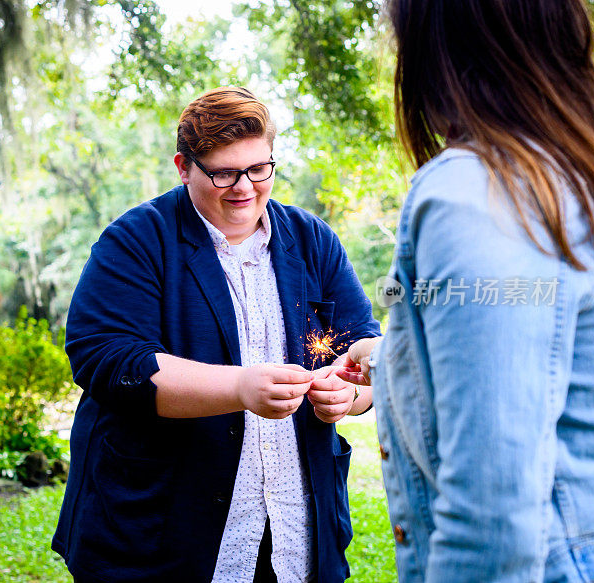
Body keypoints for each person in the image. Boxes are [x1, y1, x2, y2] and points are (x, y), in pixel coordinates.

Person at [51, 87, 381, 582]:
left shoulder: (313, 241)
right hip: (162, 533)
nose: (244, 188)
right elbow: (108, 360)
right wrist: (239, 388)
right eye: (223, 173)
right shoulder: (137, 240)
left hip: (295, 530)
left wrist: (349, 395)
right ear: (184, 167)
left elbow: (357, 351)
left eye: (259, 169)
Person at [338, 1, 594, 581]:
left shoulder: (476, 193)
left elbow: (494, 508)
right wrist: (389, 359)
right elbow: (549, 368)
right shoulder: (567, 172)